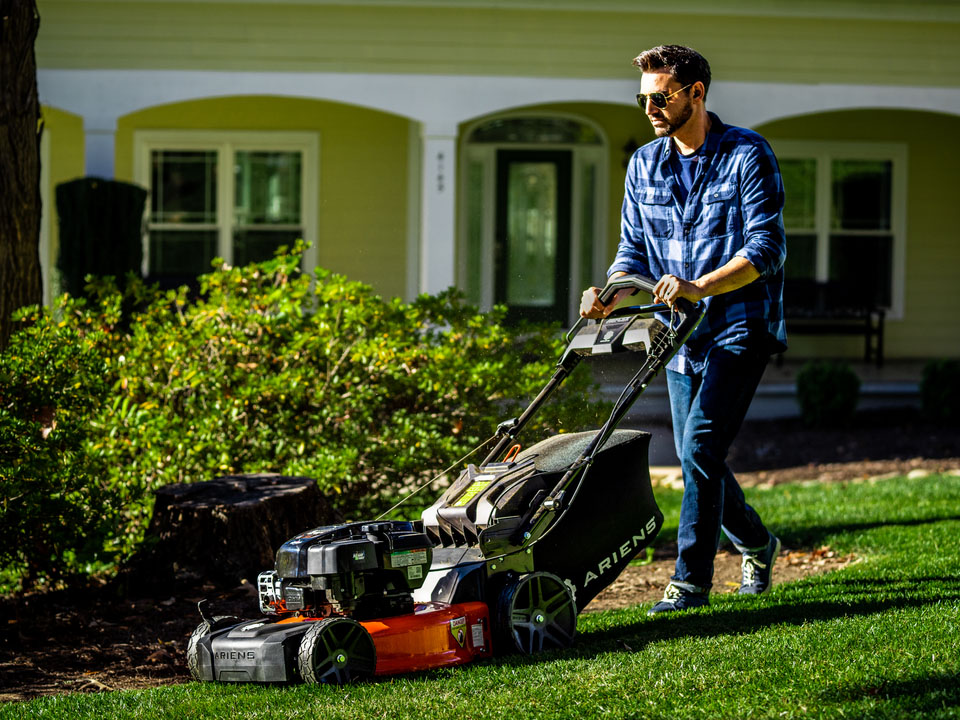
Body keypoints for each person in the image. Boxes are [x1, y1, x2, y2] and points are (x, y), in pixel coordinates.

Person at [580, 45, 787, 614]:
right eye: (643, 97)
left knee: (697, 446)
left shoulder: (747, 154)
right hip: (680, 333)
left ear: (696, 93)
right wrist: (611, 294)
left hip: (740, 324)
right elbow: (632, 253)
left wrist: (699, 286)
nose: (649, 107)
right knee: (704, 456)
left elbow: (765, 250)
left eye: (660, 96)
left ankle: (690, 583)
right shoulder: (643, 163)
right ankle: (757, 543)